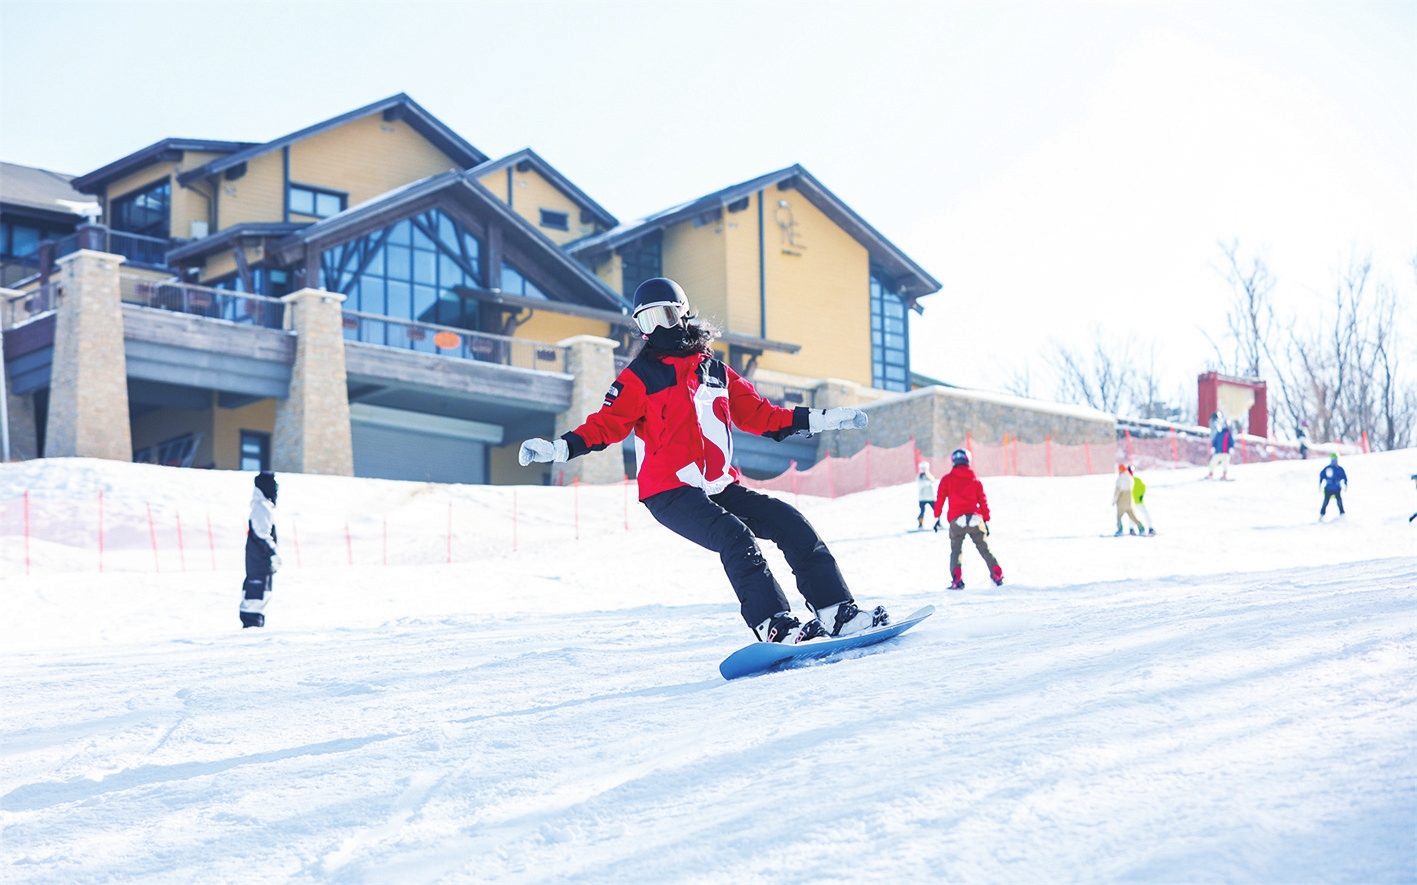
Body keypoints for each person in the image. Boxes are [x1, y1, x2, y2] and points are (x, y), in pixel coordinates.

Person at [517, 277, 887, 645]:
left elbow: (764, 416)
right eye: (647, 322)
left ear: (683, 314)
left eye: (664, 315)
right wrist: (558, 449)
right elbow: (605, 426)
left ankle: (837, 612)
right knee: (734, 536)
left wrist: (822, 420)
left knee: (790, 522)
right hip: (669, 491)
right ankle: (774, 624)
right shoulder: (639, 377)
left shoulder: (716, 372)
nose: (659, 328)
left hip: (719, 486)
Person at [932, 448, 1003, 589]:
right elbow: (982, 500)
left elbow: (940, 498)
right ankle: (996, 573)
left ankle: (957, 579)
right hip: (975, 518)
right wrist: (986, 519)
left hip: (957, 519)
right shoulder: (974, 478)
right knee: (984, 548)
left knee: (956, 550)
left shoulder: (948, 479)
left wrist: (937, 516)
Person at [241, 471, 281, 628]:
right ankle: (251, 628)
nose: (276, 490)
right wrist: (273, 553)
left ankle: (255, 626)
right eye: (274, 486)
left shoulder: (264, 506)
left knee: (262, 593)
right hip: (258, 559)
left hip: (260, 560)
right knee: (256, 594)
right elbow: (261, 533)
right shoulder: (262, 507)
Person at [1113, 464, 1147, 535]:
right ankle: (1141, 528)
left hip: (1121, 502)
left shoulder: (1120, 479)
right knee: (1133, 517)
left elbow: (1117, 492)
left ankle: (1120, 530)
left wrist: (1114, 501)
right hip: (1130, 502)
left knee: (1119, 517)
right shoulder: (1130, 478)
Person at [1129, 465, 1155, 535]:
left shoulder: (1136, 480)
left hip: (1138, 502)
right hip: (1133, 502)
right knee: (1133, 516)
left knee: (1143, 515)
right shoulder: (1128, 481)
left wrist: (1141, 496)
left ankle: (1150, 528)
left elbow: (1143, 488)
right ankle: (1131, 529)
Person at [1319, 453, 1347, 518]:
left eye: (1335, 460)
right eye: (1333, 460)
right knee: (1326, 501)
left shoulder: (1339, 469)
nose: (1334, 461)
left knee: (1339, 501)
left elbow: (1344, 477)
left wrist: (1345, 484)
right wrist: (1320, 484)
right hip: (1329, 488)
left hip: (1337, 488)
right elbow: (1321, 476)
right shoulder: (1328, 468)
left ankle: (1342, 512)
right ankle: (1322, 513)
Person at [915, 460, 936, 529]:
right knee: (922, 512)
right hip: (923, 498)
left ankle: (938, 522)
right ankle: (920, 523)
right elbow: (920, 484)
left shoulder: (930, 476)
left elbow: (933, 484)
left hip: (931, 497)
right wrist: (927, 482)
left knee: (936, 510)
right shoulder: (919, 478)